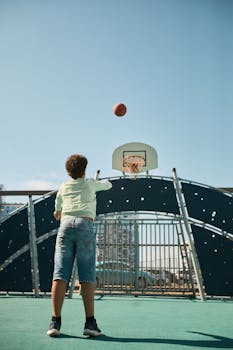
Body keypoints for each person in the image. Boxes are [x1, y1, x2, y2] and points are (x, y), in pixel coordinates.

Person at [47, 154, 112, 337]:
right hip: (84, 224)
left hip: (66, 225)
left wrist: (60, 212)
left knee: (60, 275)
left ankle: (55, 322)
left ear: (68, 171)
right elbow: (108, 185)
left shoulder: (63, 186)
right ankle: (90, 323)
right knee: (86, 275)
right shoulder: (91, 183)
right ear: (84, 170)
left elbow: (57, 210)